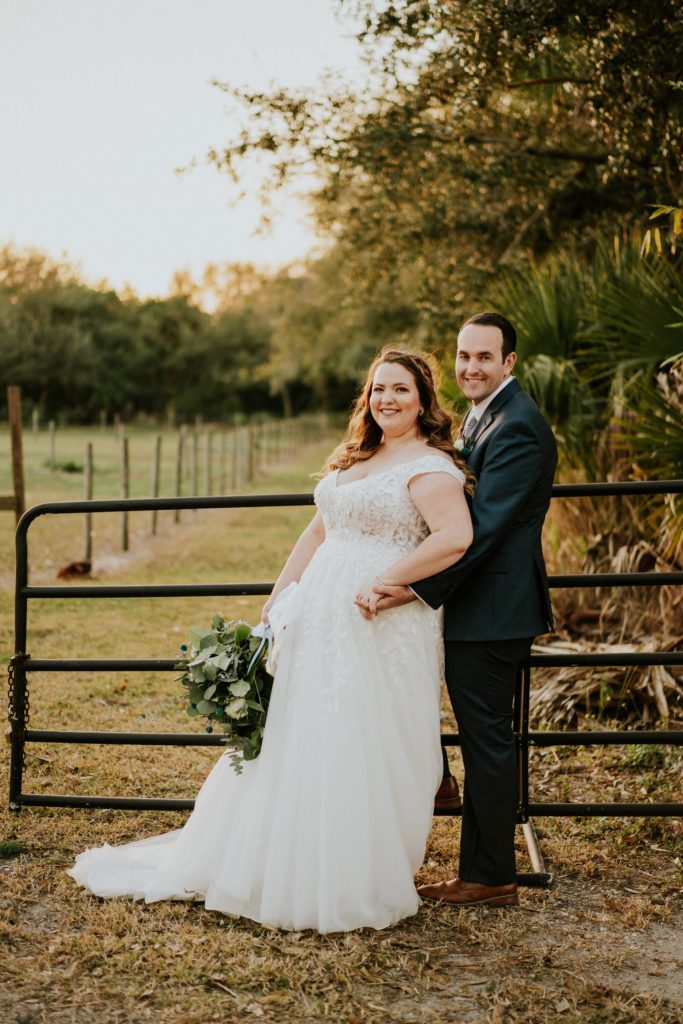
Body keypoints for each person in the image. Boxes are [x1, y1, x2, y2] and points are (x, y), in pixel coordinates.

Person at [68, 348, 474, 933]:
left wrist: (387, 580)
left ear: (423, 399)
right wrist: (280, 596)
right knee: (307, 729)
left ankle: (352, 871)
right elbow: (316, 531)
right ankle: (285, 854)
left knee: (364, 732)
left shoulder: (431, 465)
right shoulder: (359, 455)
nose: (387, 399)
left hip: (379, 619)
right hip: (319, 615)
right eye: (378, 388)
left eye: (401, 390)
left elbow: (454, 537)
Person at [361, 313, 557, 908]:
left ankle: (489, 875)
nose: (471, 367)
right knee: (467, 728)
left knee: (489, 742)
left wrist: (415, 587)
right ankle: (438, 782)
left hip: (494, 610)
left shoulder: (519, 426)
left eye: (484, 357)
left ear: (509, 363)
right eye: (464, 356)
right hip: (473, 606)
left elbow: (486, 529)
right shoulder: (482, 415)